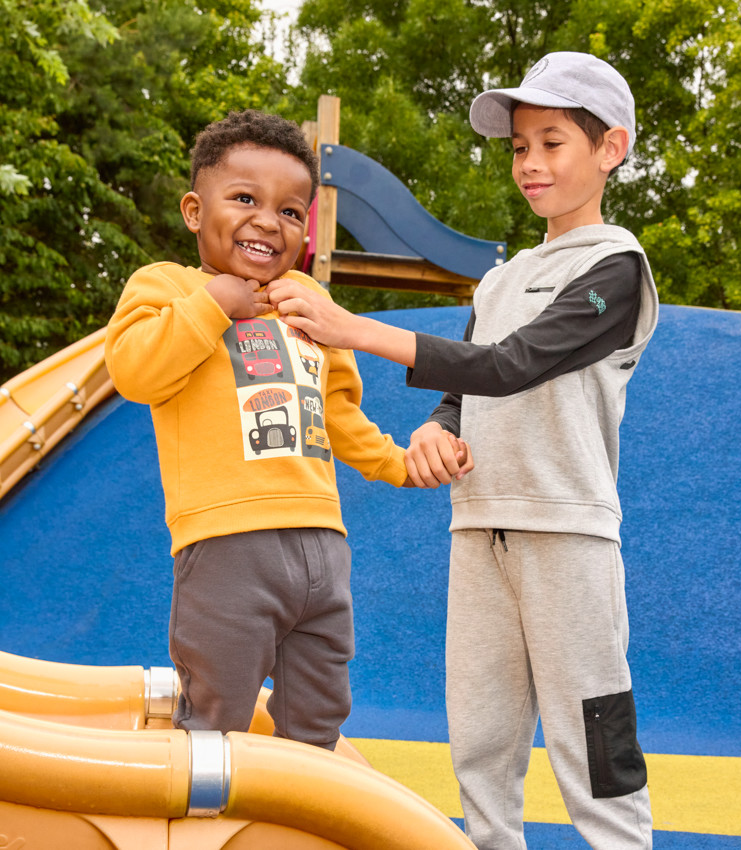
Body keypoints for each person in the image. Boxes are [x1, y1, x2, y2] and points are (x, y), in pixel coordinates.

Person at [269, 51, 656, 847]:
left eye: (553, 142)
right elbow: (465, 394)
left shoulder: (616, 269)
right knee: (480, 738)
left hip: (569, 534)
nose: (531, 163)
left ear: (610, 148)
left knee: (595, 738)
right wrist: (435, 431)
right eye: (520, 146)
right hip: (478, 530)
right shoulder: (499, 283)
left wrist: (353, 330)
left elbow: (510, 367)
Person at [105, 109, 470, 751]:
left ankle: (300, 812)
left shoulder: (306, 300)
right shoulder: (166, 288)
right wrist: (214, 303)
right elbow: (136, 371)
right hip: (226, 544)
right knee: (218, 706)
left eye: (291, 211)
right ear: (195, 210)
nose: (269, 221)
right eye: (245, 198)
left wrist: (398, 463)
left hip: (322, 547)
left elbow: (337, 414)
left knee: (321, 707)